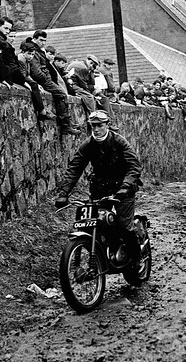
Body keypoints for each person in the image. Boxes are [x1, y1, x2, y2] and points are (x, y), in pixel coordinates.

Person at [54, 110, 142, 262]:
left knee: (124, 226)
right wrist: (63, 193)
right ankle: (102, 257)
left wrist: (125, 187)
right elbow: (75, 168)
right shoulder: (88, 145)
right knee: (94, 223)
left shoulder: (119, 142)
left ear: (107, 125)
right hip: (100, 190)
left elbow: (134, 166)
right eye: (93, 126)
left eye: (99, 125)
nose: (95, 129)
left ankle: (136, 258)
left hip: (122, 190)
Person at [29, 30, 79, 136]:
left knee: (62, 94)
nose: (43, 43)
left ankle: (67, 123)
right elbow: (36, 70)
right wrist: (45, 79)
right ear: (34, 39)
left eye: (44, 41)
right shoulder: (34, 51)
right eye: (41, 40)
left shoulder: (39, 51)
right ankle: (65, 126)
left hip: (46, 80)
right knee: (61, 95)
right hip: (44, 81)